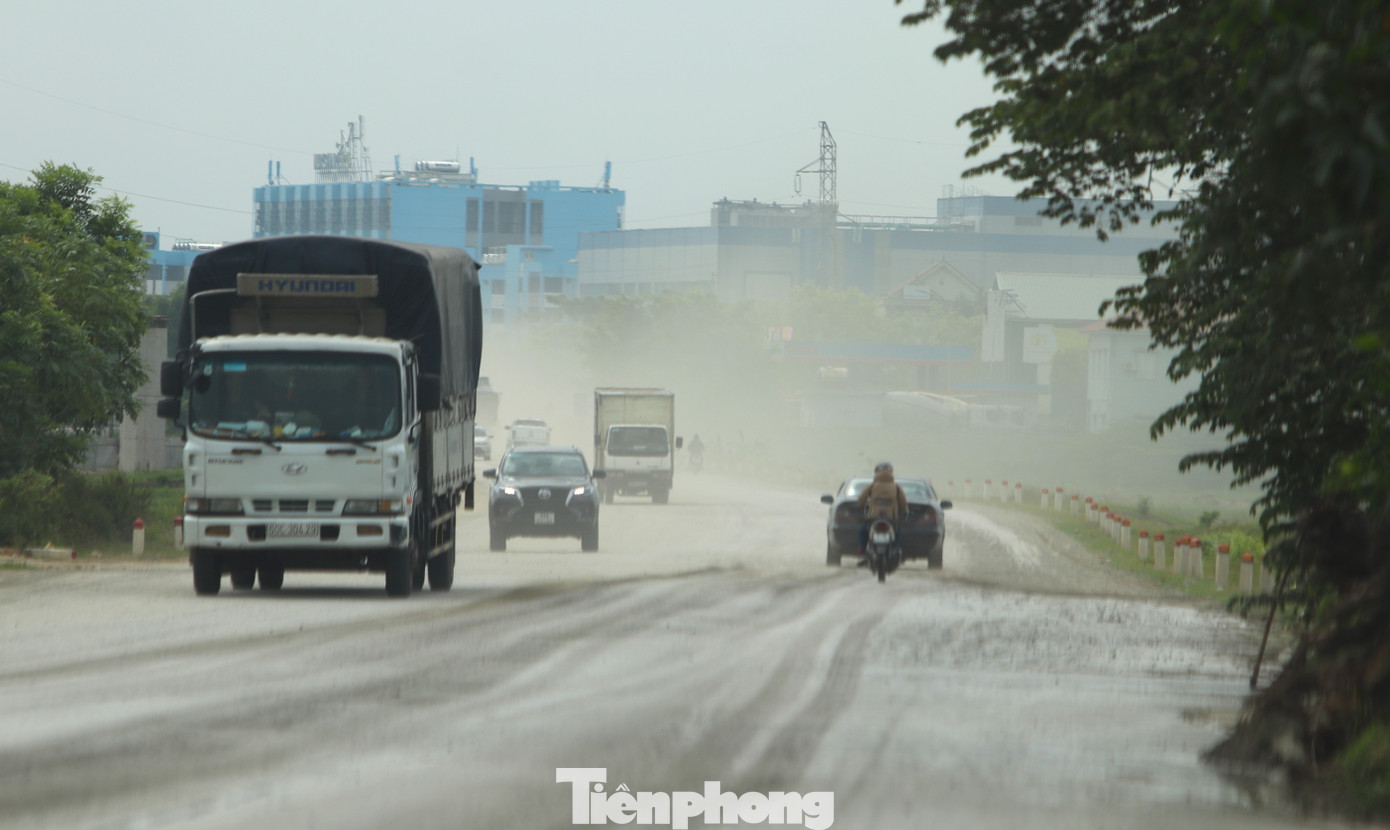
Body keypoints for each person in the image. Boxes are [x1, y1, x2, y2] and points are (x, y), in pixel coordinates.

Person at [857, 461, 907, 561]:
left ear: (876, 473)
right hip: (891, 517)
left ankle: (862, 553)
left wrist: (861, 507)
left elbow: (861, 500)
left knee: (863, 531)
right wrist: (903, 512)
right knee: (898, 531)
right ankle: (895, 549)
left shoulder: (871, 486)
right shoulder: (896, 487)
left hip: (873, 516)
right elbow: (903, 504)